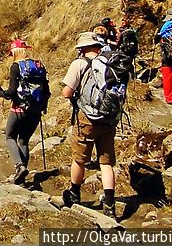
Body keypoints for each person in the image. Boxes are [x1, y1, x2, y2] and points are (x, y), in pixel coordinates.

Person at [60, 32, 118, 218]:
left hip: (87, 118)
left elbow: (66, 93)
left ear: (83, 49)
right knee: (106, 162)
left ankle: (75, 193)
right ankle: (109, 203)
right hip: (108, 119)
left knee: (79, 158)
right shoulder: (110, 62)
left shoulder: (79, 64)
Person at [0, 39, 50, 185]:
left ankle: (20, 166)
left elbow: (12, 92)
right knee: (24, 140)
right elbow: (47, 91)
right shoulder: (39, 65)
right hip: (36, 111)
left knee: (10, 136)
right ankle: (22, 179)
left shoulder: (16, 66)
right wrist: (43, 106)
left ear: (14, 51)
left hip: (19, 109)